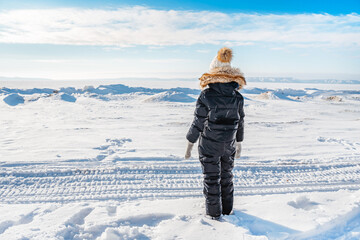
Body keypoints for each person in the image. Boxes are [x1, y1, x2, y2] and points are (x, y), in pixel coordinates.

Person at [185, 47, 246, 220]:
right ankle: (228, 211)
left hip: (209, 144)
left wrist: (190, 142)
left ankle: (214, 216)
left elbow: (198, 121)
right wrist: (239, 142)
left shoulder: (206, 95)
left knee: (212, 179)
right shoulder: (237, 96)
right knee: (226, 177)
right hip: (229, 144)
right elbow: (240, 120)